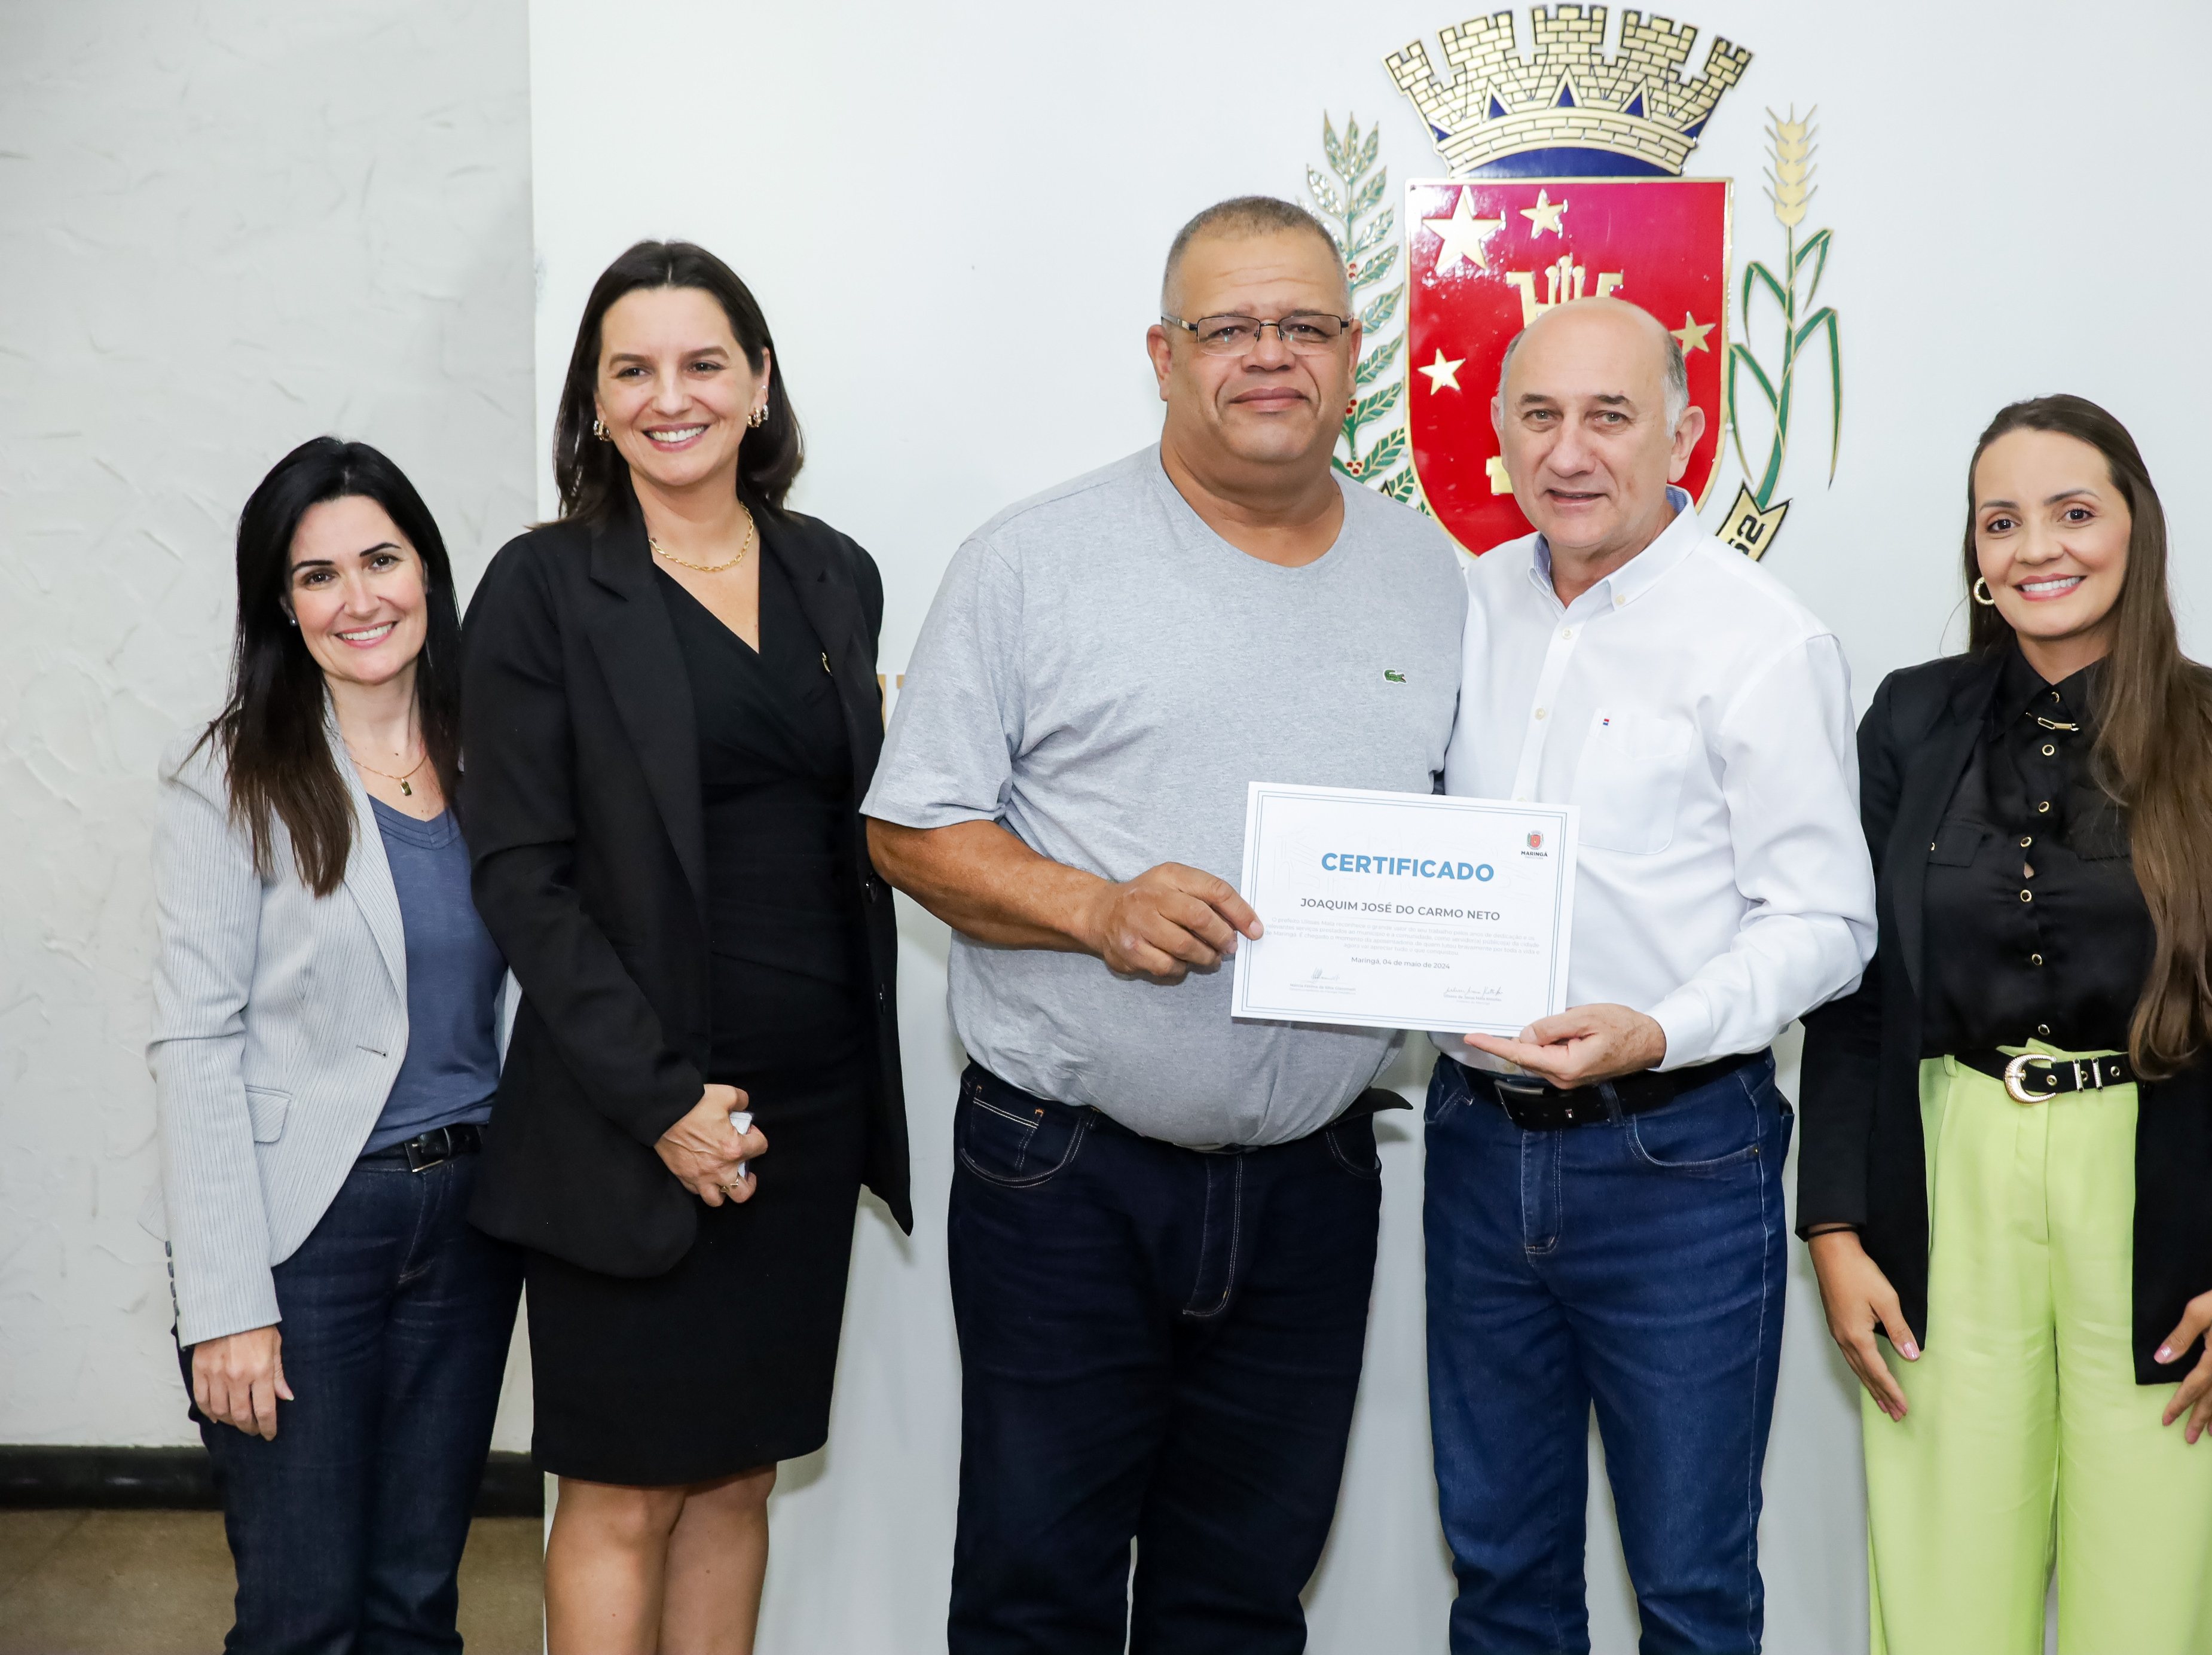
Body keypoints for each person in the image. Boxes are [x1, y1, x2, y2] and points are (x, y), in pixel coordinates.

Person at [863, 195, 1464, 1654]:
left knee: (1243, 1603)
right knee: (1036, 1597)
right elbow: (905, 828)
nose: (1269, 355)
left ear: (1355, 354)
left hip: (1316, 1184)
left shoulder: (1430, 576)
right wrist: (1096, 909)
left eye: (1303, 326)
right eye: (1227, 327)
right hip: (1068, 1176)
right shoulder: (1031, 560)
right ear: (1163, 354)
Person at [1798, 394, 2212, 1654]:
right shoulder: (1909, 718)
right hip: (1947, 1181)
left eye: (2073, 512)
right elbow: (1856, 999)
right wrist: (1833, 1230)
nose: (2036, 547)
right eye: (2000, 522)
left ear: (2136, 529)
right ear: (1975, 556)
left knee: (2154, 1600)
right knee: (1943, 1594)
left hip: (2167, 1185)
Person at [457, 240, 908, 1654]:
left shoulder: (835, 570)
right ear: (593, 404)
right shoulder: (541, 587)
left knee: (737, 1472)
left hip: (806, 1106)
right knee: (619, 1488)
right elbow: (519, 875)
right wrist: (662, 1103)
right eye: (632, 370)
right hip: (629, 1112)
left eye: (704, 363)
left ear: (759, 381)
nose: (672, 397)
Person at [1426, 297, 1875, 1655]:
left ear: (1684, 436)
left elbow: (1827, 922)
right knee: (1500, 1577)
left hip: (1674, 1161)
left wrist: (1659, 1028)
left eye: (1609, 417)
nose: (1569, 453)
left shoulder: (1760, 638)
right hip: (1475, 1145)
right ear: (1499, 432)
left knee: (1690, 1589)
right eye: (1539, 415)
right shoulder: (1460, 608)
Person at [149, 436, 522, 1651]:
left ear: (428, 572)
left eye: (381, 560)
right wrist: (225, 1306)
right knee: (302, 1613)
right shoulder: (231, 776)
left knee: (417, 1603)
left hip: (472, 1225)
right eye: (317, 575)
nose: (358, 598)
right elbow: (194, 1040)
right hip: (305, 1235)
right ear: (282, 605)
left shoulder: (499, 757)